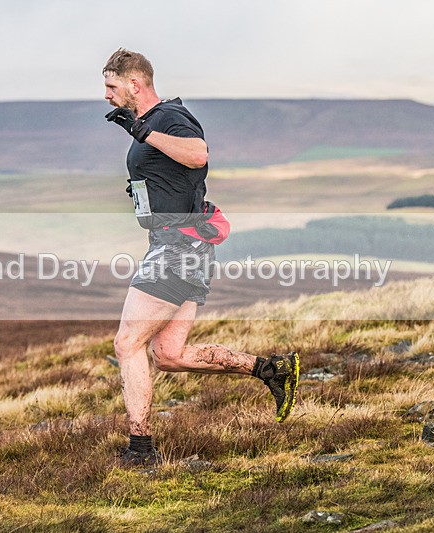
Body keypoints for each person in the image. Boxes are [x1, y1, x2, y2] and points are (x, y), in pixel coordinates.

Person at [102, 48, 300, 466]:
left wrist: (142, 132)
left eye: (111, 86)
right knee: (169, 354)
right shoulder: (149, 123)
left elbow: (198, 154)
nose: (106, 95)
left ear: (135, 84)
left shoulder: (168, 118)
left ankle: (141, 451)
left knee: (127, 343)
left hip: (180, 246)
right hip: (177, 244)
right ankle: (272, 370)